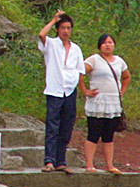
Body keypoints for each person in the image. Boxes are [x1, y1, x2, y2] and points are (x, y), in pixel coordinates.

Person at [38, 10, 85, 173]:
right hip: (54, 89)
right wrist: (53, 20)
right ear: (58, 29)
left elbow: (80, 72)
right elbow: (41, 34)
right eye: (63, 27)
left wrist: (83, 90)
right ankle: (49, 160)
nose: (66, 31)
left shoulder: (76, 49)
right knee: (52, 125)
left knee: (66, 126)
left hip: (70, 90)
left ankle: (61, 161)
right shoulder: (51, 44)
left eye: (68, 28)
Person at [79, 33, 131, 174]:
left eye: (110, 42)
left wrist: (122, 90)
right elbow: (79, 73)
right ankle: (89, 165)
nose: (107, 45)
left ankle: (110, 165)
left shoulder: (119, 61)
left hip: (113, 103)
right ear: (100, 45)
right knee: (94, 133)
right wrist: (85, 90)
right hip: (97, 102)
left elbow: (126, 77)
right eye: (104, 43)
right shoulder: (94, 60)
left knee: (109, 135)